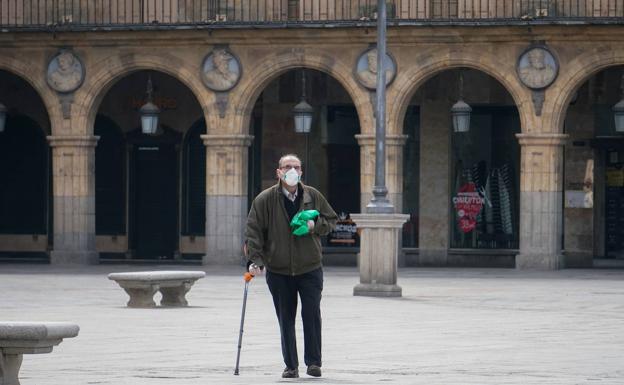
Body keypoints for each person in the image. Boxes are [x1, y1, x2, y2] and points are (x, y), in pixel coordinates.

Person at [244, 154, 337, 379]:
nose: (292, 170)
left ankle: (314, 362)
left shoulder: (312, 195)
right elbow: (253, 232)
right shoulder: (265, 199)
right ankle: (291, 365)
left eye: (296, 167)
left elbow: (332, 220)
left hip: (310, 267)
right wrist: (255, 261)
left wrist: (315, 225)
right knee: (285, 317)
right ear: (279, 172)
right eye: (287, 166)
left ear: (301, 171)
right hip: (278, 269)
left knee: (311, 314)